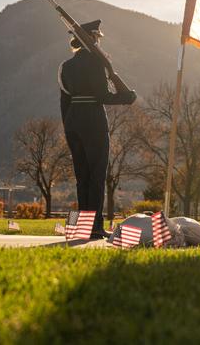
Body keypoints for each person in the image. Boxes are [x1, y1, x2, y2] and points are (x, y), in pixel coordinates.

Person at [58, 19, 137, 239]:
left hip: (72, 121)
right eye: (97, 38)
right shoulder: (96, 62)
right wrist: (127, 97)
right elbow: (102, 96)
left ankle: (82, 228)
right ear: (92, 38)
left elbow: (64, 102)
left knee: (82, 175)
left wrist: (69, 127)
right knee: (96, 174)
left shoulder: (65, 66)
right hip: (93, 119)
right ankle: (95, 227)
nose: (98, 41)